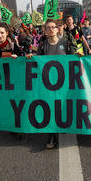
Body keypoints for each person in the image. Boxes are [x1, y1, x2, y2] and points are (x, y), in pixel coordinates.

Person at [26, 19, 79, 149]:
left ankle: (62, 127)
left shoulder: (66, 44)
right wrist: (30, 58)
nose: (51, 29)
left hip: (63, 83)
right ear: (44, 31)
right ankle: (51, 135)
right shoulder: (43, 46)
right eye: (48, 27)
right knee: (50, 108)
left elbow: (73, 60)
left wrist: (79, 55)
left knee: (62, 107)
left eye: (53, 27)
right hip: (48, 84)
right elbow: (37, 62)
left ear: (57, 29)